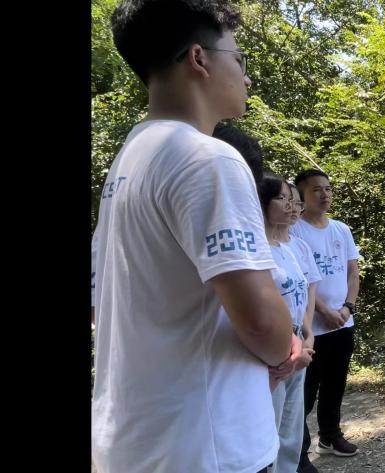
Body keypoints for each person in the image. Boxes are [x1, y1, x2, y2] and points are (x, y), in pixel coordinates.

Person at [92, 2, 301, 472]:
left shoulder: (129, 160)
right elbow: (262, 323)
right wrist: (286, 347)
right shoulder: (209, 159)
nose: (247, 77)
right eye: (240, 59)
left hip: (135, 439)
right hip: (207, 444)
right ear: (199, 58)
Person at [290, 169, 362, 468]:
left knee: (335, 384)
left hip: (343, 322)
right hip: (311, 328)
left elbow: (353, 272)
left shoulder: (341, 230)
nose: (325, 194)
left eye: (328, 189)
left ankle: (330, 436)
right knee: (304, 392)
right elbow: (300, 279)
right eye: (316, 190)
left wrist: (347, 308)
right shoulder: (294, 230)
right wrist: (324, 311)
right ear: (301, 196)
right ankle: (298, 451)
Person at [256, 175, 320, 473]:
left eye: (294, 201)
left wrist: (307, 335)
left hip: (298, 344)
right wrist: (290, 348)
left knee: (291, 430)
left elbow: (305, 292)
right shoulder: (257, 250)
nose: (292, 206)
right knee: (270, 426)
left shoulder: (293, 248)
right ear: (261, 202)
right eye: (282, 199)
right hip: (274, 350)